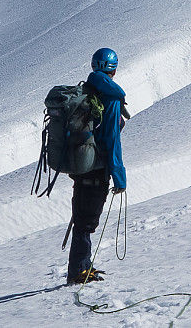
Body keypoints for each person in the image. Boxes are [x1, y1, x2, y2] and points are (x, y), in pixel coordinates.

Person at [67, 47, 130, 284]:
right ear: (114, 69)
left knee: (82, 216)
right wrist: (119, 177)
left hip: (81, 164)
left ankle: (83, 266)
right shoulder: (111, 98)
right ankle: (78, 272)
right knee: (86, 220)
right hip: (97, 166)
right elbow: (112, 140)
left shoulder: (87, 89)